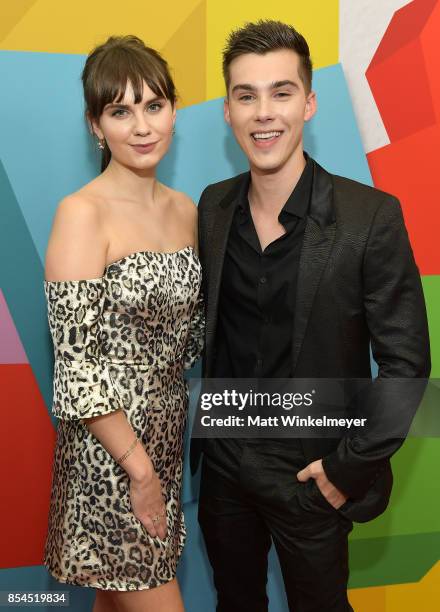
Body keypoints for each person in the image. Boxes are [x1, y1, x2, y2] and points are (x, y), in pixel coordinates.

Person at [193, 20, 431, 612]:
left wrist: (344, 471)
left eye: (281, 91)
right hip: (224, 465)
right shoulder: (213, 208)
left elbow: (407, 364)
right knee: (235, 602)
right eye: (246, 95)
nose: (263, 113)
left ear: (310, 102)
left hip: (311, 473)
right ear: (227, 110)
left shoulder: (368, 216)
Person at [44, 35, 203, 612]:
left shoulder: (186, 210)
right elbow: (79, 367)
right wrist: (139, 471)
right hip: (110, 453)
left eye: (154, 105)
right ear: (96, 124)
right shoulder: (81, 214)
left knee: (116, 603)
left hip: (165, 439)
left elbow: (191, 339)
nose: (141, 126)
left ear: (173, 110)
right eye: (120, 110)